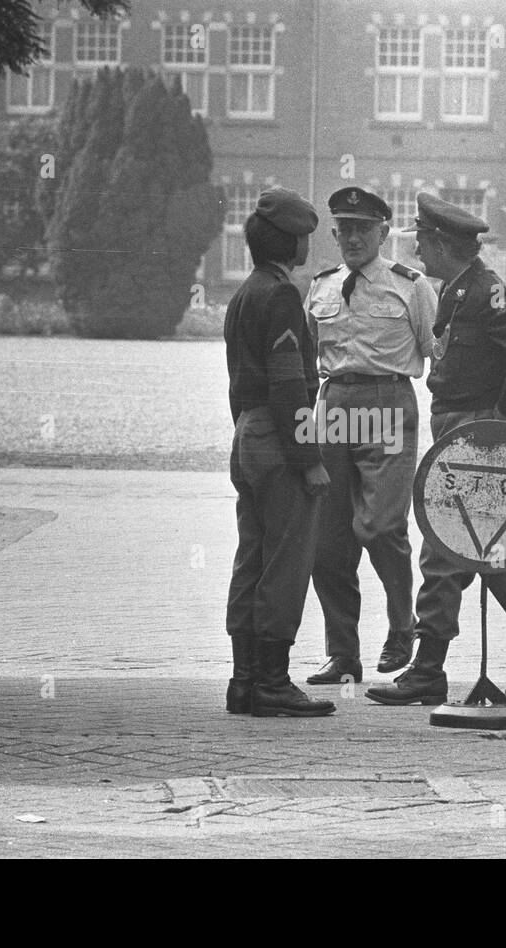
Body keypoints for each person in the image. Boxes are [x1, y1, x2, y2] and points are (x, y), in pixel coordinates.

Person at [366, 192, 506, 707]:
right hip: (459, 432)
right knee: (491, 550)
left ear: (441, 243)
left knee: (445, 546)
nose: (417, 244)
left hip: (473, 434)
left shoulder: (484, 293)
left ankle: (427, 669)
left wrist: (504, 414)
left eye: (423, 236)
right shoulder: (459, 291)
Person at [303, 186, 439, 685]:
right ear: (334, 233)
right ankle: (342, 654)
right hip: (333, 405)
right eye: (345, 228)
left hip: (388, 403)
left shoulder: (411, 285)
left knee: (380, 526)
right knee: (328, 540)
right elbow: (304, 361)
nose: (353, 237)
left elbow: (434, 351)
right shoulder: (320, 286)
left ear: (383, 232)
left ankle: (403, 627)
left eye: (364, 228)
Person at [223, 186, 335, 717]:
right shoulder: (284, 295)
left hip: (246, 434)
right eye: (305, 236)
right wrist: (307, 458)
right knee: (286, 561)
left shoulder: (245, 293)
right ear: (289, 240)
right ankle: (272, 682)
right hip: (278, 436)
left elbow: (238, 384)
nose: (308, 245)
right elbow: (290, 386)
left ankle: (244, 681)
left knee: (251, 558)